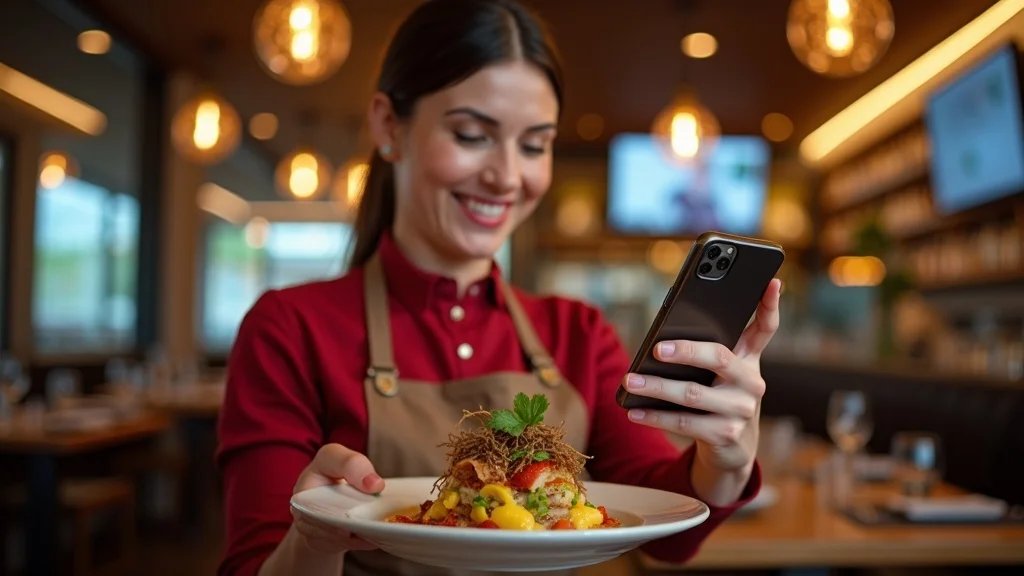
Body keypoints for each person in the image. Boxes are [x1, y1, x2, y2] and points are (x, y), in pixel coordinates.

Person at [215, 1, 782, 575]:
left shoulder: (578, 332)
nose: (508, 176)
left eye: (534, 145)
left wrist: (726, 459)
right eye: (471, 135)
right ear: (389, 126)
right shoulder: (289, 327)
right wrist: (313, 539)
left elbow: (665, 529)